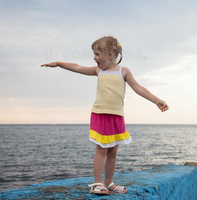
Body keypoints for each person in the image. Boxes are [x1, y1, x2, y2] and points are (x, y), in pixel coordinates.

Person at [41, 36, 169, 195]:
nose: (94, 58)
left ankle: (108, 183)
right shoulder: (98, 70)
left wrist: (156, 100)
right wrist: (60, 64)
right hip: (100, 115)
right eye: (94, 54)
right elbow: (78, 67)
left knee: (113, 151)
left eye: (97, 54)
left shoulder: (124, 71)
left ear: (109, 54)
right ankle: (97, 183)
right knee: (101, 149)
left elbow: (138, 88)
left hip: (116, 116)